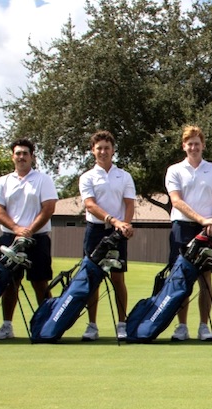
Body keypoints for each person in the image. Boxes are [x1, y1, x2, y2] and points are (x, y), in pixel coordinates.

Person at [0, 138, 58, 340]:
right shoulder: (3, 181)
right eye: (18, 153)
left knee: (40, 282)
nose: (21, 157)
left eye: (25, 153)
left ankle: (47, 326)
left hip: (37, 238)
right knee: (10, 282)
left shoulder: (43, 180)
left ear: (32, 157)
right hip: (10, 237)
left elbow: (48, 208)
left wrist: (29, 230)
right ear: (12, 156)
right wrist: (17, 229)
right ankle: (7, 326)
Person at [165, 125, 212, 342]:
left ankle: (203, 326)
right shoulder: (174, 170)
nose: (194, 147)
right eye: (190, 144)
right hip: (183, 227)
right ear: (184, 146)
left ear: (203, 146)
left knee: (205, 278)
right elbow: (176, 201)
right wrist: (202, 219)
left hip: (209, 229)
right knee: (181, 279)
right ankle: (182, 326)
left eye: (197, 144)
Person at [78, 131, 135, 341]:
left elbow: (129, 203)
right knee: (93, 278)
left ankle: (122, 324)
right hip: (95, 230)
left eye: (107, 148)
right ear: (93, 151)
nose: (103, 152)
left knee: (118, 278)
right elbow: (90, 205)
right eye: (99, 148)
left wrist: (124, 224)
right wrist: (114, 221)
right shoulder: (87, 177)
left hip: (118, 232)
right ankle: (92, 325)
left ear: (113, 150)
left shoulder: (124, 176)